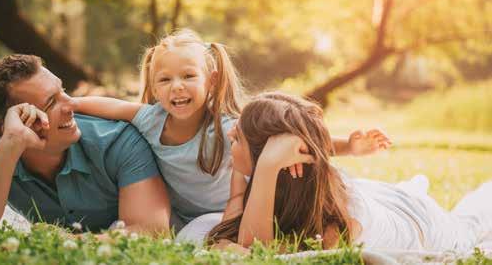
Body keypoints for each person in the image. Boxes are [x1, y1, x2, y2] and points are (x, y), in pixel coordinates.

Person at [74, 29, 391, 229]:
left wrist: (349, 147)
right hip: (186, 217)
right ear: (154, 88)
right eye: (165, 80)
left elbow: (291, 139)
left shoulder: (227, 127)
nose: (177, 88)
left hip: (239, 209)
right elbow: (111, 106)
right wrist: (69, 102)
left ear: (210, 80)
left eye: (188, 76)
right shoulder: (151, 119)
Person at [208, 92, 492, 252]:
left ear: (272, 160)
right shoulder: (277, 179)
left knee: (471, 225)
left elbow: (254, 252)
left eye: (240, 136)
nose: (232, 130)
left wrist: (269, 167)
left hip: (419, 224)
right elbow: (232, 226)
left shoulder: (334, 229)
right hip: (372, 195)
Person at [0, 54, 170, 234]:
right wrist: (11, 145)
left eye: (62, 90)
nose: (70, 105)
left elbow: (151, 229)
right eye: (51, 103)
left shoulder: (117, 140)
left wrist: (65, 241)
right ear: (11, 125)